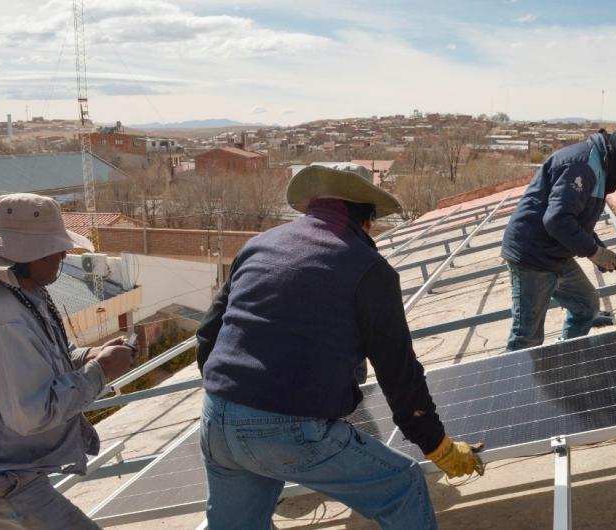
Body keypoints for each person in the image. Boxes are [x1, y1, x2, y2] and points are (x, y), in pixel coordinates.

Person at [196, 163, 483, 530]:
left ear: (313, 206)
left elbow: (208, 333)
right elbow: (398, 373)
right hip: (287, 428)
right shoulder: (368, 267)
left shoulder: (259, 245)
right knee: (403, 486)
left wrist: (228, 394)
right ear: (368, 220)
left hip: (216, 417)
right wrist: (436, 445)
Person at [0, 193, 136, 530]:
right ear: (25, 255)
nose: (64, 254)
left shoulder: (19, 286)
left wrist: (87, 356)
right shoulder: (3, 320)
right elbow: (33, 413)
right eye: (55, 249)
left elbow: (44, 361)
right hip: (0, 480)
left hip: (2, 471)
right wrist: (100, 372)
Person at [501, 125, 616, 351]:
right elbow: (557, 220)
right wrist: (595, 253)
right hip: (532, 255)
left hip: (555, 253)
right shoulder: (583, 166)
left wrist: (599, 248)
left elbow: (576, 220)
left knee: (586, 306)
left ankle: (566, 359)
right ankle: (513, 384)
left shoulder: (598, 163)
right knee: (527, 337)